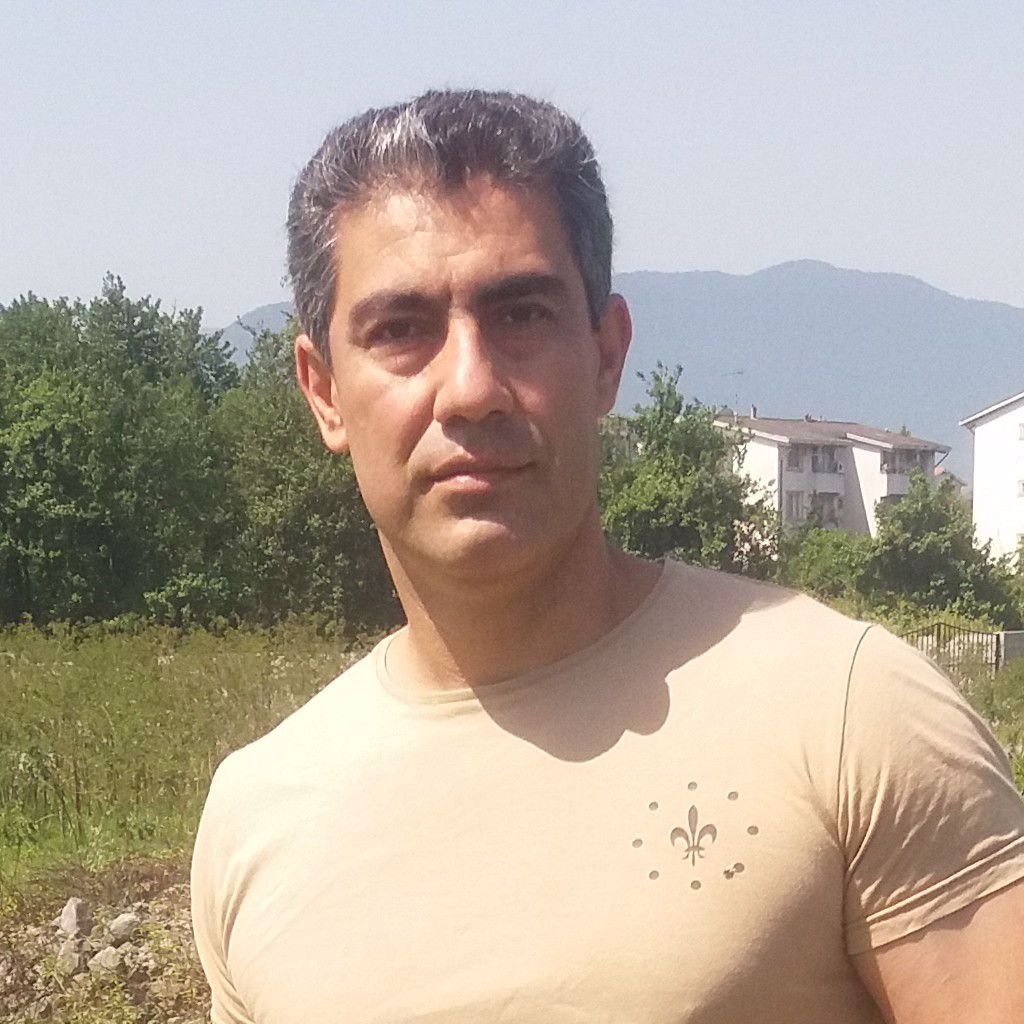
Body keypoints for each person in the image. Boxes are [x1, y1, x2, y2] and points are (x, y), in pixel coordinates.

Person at [191, 89, 1024, 1023]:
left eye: (521, 315)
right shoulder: (256, 820)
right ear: (323, 392)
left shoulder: (848, 714)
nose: (470, 388)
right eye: (401, 330)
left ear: (607, 355)